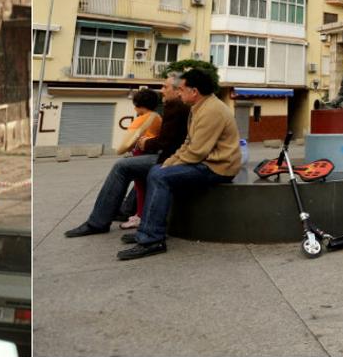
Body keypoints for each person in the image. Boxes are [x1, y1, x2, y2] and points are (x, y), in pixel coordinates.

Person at [116, 68, 240, 260]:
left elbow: (197, 151)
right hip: (205, 162)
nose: (178, 92)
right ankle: (148, 230)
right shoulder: (200, 107)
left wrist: (169, 166)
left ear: (194, 91)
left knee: (160, 175)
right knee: (157, 170)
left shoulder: (211, 110)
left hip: (218, 167)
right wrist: (169, 162)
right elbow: (188, 144)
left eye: (181, 89)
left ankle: (152, 239)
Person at [64, 74, 190, 239]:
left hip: (173, 158)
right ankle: (125, 211)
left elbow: (166, 142)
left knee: (122, 167)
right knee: (134, 167)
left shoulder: (175, 106)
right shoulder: (176, 107)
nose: (162, 90)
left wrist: (146, 143)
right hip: (173, 155)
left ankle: (97, 222)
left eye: (165, 87)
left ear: (178, 90)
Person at [114, 88, 162, 230]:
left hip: (139, 155)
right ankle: (140, 213)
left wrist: (122, 149)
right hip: (152, 154)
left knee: (140, 187)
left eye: (135, 105)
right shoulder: (158, 117)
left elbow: (125, 144)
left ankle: (140, 216)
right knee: (145, 186)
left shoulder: (140, 120)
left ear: (138, 105)